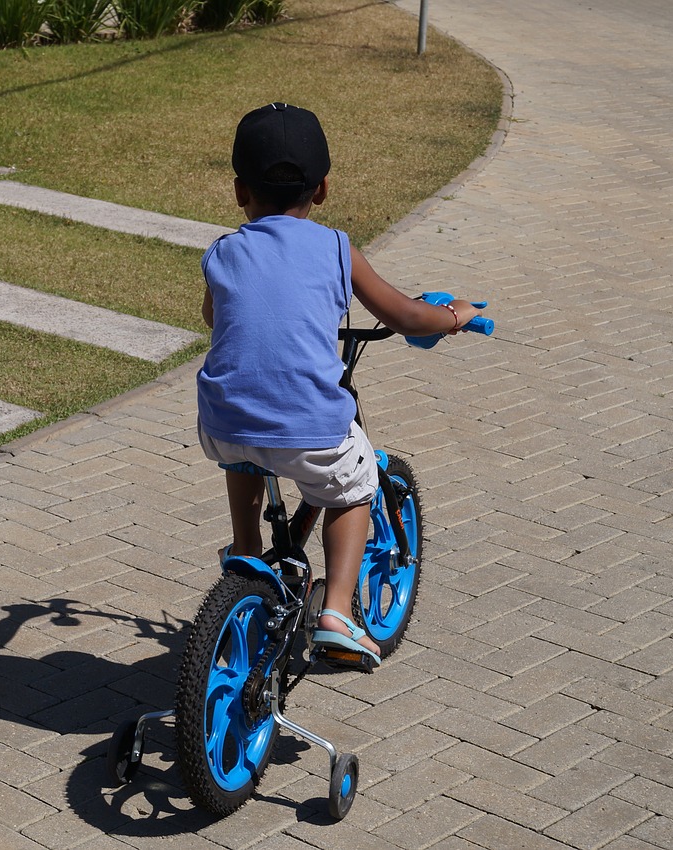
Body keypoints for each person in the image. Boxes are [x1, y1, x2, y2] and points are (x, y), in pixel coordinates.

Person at [197, 102, 482, 670]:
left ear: (238, 191)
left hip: (220, 427)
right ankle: (337, 612)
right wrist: (454, 316)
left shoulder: (224, 251)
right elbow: (405, 316)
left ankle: (246, 551)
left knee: (248, 436)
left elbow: (213, 318)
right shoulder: (335, 249)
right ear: (323, 189)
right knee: (357, 482)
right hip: (307, 429)